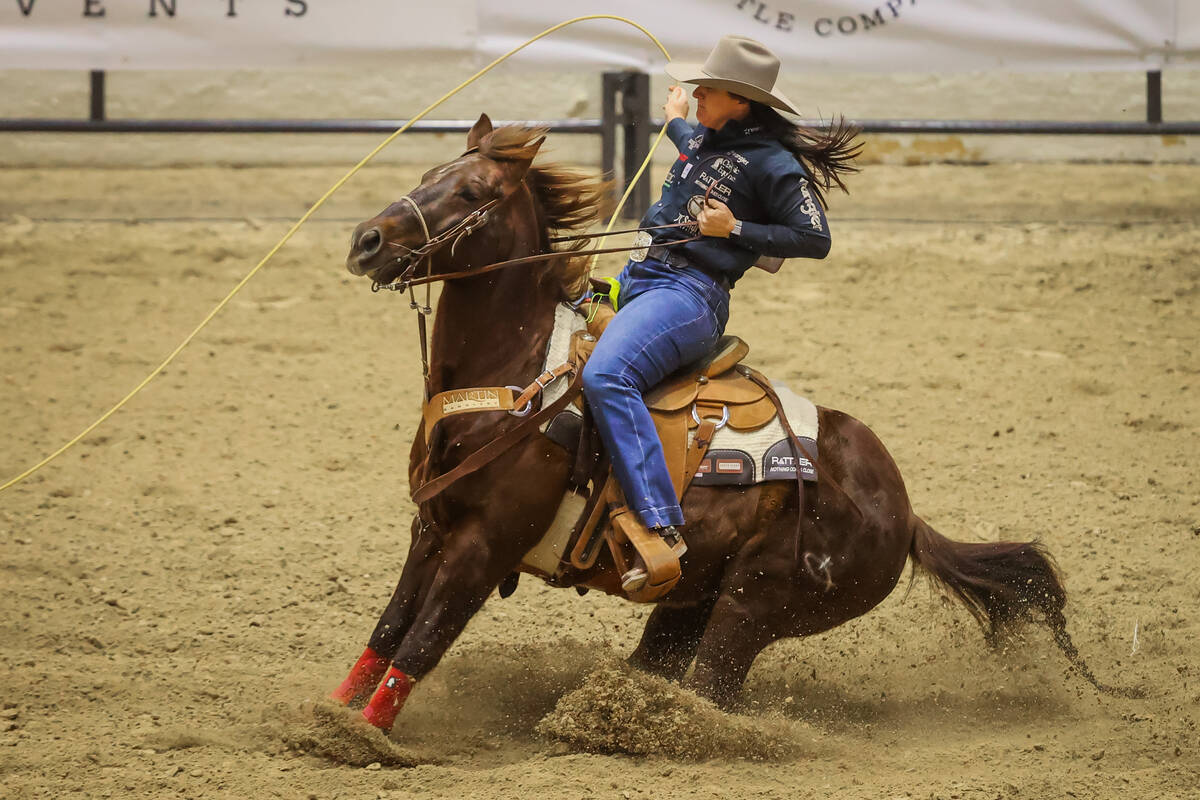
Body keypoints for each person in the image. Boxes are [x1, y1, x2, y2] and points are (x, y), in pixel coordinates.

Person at [580, 35, 861, 592]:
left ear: (741, 101)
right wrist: (677, 117)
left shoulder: (774, 166)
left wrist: (733, 229)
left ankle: (659, 525)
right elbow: (691, 139)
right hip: (640, 278)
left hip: (689, 294)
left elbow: (816, 238)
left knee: (607, 375)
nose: (697, 93)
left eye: (707, 89)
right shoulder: (709, 135)